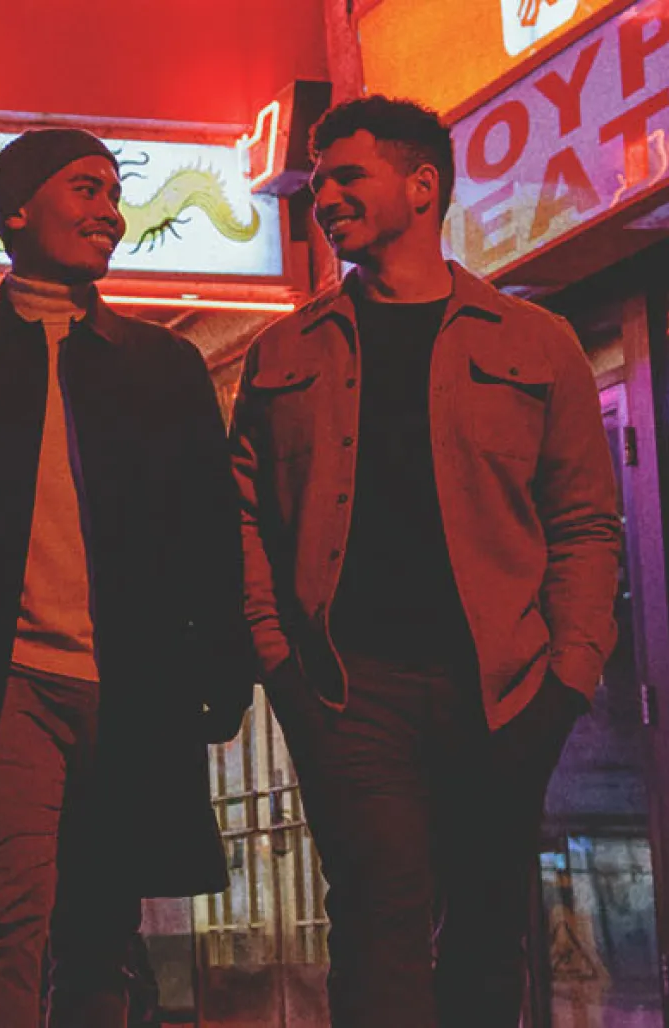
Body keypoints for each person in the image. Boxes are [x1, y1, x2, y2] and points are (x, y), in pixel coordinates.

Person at [230, 96, 621, 1027]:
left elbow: (585, 525)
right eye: (318, 179)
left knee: (489, 932)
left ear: (422, 186)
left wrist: (569, 676)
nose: (323, 196)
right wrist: (278, 661)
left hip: (505, 688)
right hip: (347, 690)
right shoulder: (285, 352)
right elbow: (244, 520)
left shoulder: (537, 343)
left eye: (346, 176)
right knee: (376, 926)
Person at [0, 128, 255, 1028]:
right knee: (5, 916)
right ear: (17, 209)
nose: (108, 212)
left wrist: (225, 665)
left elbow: (208, 532)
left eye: (115, 194)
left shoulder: (165, 366)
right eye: (85, 189)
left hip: (133, 686)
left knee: (103, 930)